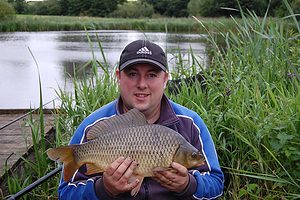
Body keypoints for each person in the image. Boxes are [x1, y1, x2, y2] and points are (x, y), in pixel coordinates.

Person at [57, 40, 224, 199]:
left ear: (165, 79)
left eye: (151, 75)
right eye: (132, 74)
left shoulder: (190, 123)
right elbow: (65, 194)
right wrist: (103, 189)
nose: (142, 84)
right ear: (119, 77)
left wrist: (189, 185)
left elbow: (216, 184)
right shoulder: (92, 125)